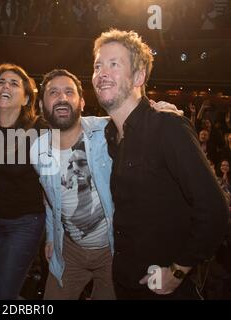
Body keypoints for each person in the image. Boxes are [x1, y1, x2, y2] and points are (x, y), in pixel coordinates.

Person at [92, 29, 229, 299]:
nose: (102, 72)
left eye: (113, 64)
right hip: (125, 282)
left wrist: (178, 272)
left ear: (139, 77)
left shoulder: (168, 126)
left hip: (164, 289)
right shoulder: (109, 136)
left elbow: (215, 212)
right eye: (98, 65)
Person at [31, 69, 116, 300]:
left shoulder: (106, 131)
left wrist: (161, 110)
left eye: (69, 92)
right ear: (41, 105)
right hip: (69, 251)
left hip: (113, 250)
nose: (62, 98)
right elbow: (49, 198)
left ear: (82, 102)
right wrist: (50, 236)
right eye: (54, 92)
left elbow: (137, 116)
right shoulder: (37, 151)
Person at [0, 63, 48, 299]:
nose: (5, 85)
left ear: (26, 98)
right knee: (0, 286)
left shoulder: (40, 129)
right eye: (0, 81)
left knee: (2, 294)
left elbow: (79, 125)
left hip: (26, 222)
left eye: (14, 83)